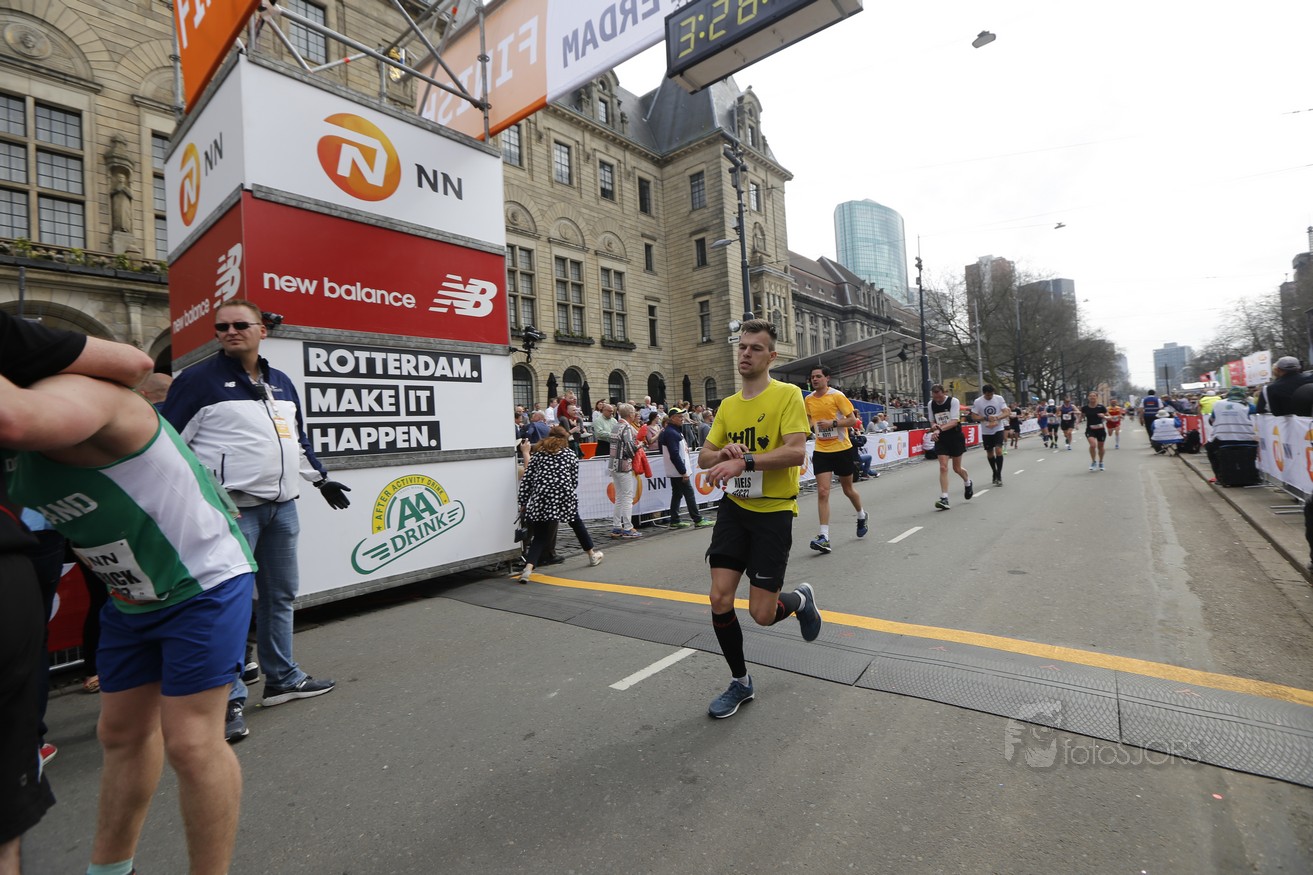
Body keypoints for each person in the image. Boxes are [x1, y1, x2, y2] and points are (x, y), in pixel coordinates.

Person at [2, 367, 256, 875]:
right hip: (131, 596)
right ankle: (111, 870)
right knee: (120, 734)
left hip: (201, 582)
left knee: (190, 741)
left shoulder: (87, 397)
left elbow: (17, 417)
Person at [0, 312, 152, 874]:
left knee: (183, 737)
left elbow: (135, 363)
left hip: (41, 549)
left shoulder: (100, 400)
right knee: (122, 731)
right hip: (48, 548)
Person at [161, 299, 347, 743]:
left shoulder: (280, 381)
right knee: (228, 605)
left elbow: (295, 439)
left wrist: (321, 480)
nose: (230, 332)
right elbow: (168, 445)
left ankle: (282, 678)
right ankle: (225, 698)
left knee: (280, 596)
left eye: (240, 324)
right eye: (222, 326)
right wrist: (202, 499)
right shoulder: (198, 381)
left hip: (283, 506)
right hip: (233, 511)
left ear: (262, 330)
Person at [697, 319, 818, 719]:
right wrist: (723, 453)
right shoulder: (729, 405)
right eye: (742, 347)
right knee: (719, 598)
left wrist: (745, 460)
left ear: (771, 356)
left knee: (762, 615)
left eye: (755, 348)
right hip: (735, 510)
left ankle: (800, 600)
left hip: (774, 512)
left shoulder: (788, 395)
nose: (746, 353)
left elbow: (796, 452)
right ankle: (741, 681)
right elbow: (705, 456)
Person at [517, 425, 602, 581]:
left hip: (541, 496)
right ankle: (592, 555)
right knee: (577, 524)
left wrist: (523, 501)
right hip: (564, 494)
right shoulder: (569, 454)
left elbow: (527, 480)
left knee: (540, 535)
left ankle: (527, 570)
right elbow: (574, 480)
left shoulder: (538, 454)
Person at [804, 366, 868, 552]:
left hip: (842, 449)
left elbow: (852, 420)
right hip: (821, 450)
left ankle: (861, 514)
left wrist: (832, 423)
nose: (815, 379)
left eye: (818, 376)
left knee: (848, 489)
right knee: (823, 491)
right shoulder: (808, 399)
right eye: (812, 377)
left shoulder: (837, 396)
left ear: (827, 378)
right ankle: (824, 536)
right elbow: (809, 420)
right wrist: (807, 429)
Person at [660, 408, 711, 529]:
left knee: (677, 494)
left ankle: (675, 520)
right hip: (678, 471)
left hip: (676, 470)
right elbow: (674, 455)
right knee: (689, 494)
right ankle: (697, 519)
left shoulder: (672, 431)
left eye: (682, 417)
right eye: (679, 417)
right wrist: (683, 471)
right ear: (672, 418)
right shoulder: (671, 432)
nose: (682, 419)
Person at [928, 384, 972, 510]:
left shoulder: (953, 401)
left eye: (939, 397)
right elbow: (932, 421)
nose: (937, 400)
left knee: (956, 468)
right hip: (941, 439)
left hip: (955, 437)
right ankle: (944, 498)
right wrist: (934, 427)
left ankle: (967, 482)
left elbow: (954, 421)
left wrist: (939, 429)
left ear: (944, 393)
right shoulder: (931, 404)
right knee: (943, 467)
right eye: (935, 397)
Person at [1206, 386, 1257, 478]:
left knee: (1210, 449)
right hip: (1246, 441)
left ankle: (1219, 476)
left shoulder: (1218, 404)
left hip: (1222, 440)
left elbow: (1211, 420)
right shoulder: (1250, 406)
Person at [608, 403, 642, 539]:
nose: (635, 414)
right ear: (630, 414)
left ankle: (617, 526)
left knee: (619, 497)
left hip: (614, 465)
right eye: (633, 412)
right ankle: (628, 527)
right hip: (623, 465)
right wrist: (639, 446)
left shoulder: (615, 425)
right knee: (627, 497)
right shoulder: (626, 427)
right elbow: (629, 448)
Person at [970, 384, 1008, 486]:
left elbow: (1006, 412)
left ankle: (999, 475)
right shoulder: (978, 401)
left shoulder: (999, 399)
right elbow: (974, 416)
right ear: (984, 393)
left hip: (998, 429)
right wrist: (986, 418)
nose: (990, 396)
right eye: (988, 395)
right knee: (990, 453)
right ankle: (994, 471)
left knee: (998, 450)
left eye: (991, 394)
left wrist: (997, 417)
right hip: (986, 431)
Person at [1080, 391, 1109, 471]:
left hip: (1100, 429)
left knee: (1101, 447)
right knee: (1092, 445)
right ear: (1088, 397)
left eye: (1094, 396)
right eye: (1090, 396)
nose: (1092, 397)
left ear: (1097, 397)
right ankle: (1093, 462)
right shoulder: (1085, 408)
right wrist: (1077, 423)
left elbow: (1108, 416)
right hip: (1090, 429)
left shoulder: (1101, 407)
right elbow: (1081, 416)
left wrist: (1104, 416)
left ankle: (1101, 462)